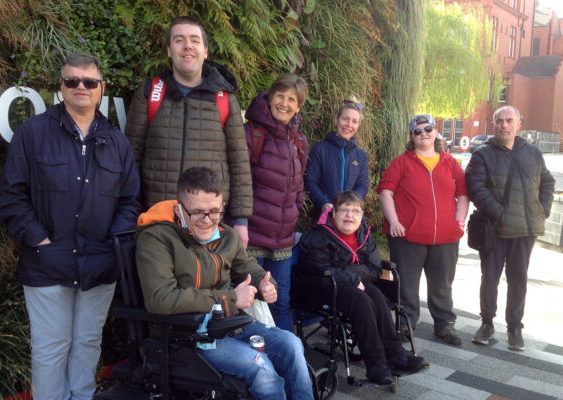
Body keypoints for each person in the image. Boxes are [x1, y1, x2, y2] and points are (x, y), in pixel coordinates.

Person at [0, 53, 141, 400]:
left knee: (88, 345)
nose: (80, 87)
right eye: (72, 81)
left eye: (89, 82)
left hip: (99, 264)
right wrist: (39, 240)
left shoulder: (117, 143)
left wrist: (111, 247)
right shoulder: (32, 133)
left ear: (101, 89)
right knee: (50, 350)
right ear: (60, 87)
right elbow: (11, 197)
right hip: (47, 263)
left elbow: (129, 201)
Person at [135, 167, 314, 400]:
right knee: (262, 370)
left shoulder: (226, 235)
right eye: (197, 212)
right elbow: (161, 299)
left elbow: (249, 268)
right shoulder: (157, 239)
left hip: (232, 325)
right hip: (190, 336)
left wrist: (264, 286)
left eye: (214, 211)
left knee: (291, 344)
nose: (207, 221)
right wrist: (229, 299)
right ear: (180, 208)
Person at [125, 16, 252, 248]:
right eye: (179, 40)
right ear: (169, 50)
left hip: (208, 223)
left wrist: (241, 221)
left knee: (206, 284)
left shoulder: (224, 99)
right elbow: (130, 159)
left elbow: (239, 161)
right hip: (158, 222)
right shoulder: (150, 94)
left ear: (205, 51)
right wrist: (131, 214)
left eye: (194, 40)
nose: (187, 46)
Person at [294, 191, 427, 384]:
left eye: (355, 211)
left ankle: (396, 354)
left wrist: (350, 275)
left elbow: (374, 268)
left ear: (361, 214)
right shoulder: (318, 236)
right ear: (334, 213)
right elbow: (318, 269)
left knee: (377, 296)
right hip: (319, 288)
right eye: (344, 210)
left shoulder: (364, 234)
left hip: (352, 284)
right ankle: (376, 365)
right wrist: (352, 276)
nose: (350, 215)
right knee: (361, 300)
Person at [465, 105, 554, 351]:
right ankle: (486, 323)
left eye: (509, 120)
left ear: (519, 124)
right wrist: (501, 213)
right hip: (495, 228)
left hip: (525, 230)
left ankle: (515, 327)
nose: (504, 125)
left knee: (518, 279)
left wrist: (542, 210)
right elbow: (476, 188)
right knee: (490, 278)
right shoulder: (482, 154)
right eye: (500, 121)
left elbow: (547, 181)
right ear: (494, 125)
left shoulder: (533, 152)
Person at [377, 114, 469, 346]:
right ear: (411, 136)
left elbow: (463, 193)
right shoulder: (402, 162)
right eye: (417, 131)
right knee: (407, 284)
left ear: (436, 132)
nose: (424, 134)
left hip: (445, 238)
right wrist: (394, 221)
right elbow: (385, 192)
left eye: (428, 129)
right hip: (407, 237)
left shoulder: (450, 162)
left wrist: (459, 220)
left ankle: (444, 324)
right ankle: (407, 324)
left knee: (442, 283)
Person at [242, 73, 309, 330]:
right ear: (270, 97)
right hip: (251, 238)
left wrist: (295, 210)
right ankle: (255, 364)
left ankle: (288, 364)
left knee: (280, 304)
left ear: (298, 106)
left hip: (282, 242)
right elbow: (238, 181)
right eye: (280, 96)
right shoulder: (251, 133)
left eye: (292, 99)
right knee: (251, 305)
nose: (284, 103)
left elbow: (299, 183)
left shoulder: (299, 141)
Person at [305, 99, 368, 216]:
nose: (349, 125)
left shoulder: (361, 156)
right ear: (336, 120)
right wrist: (324, 203)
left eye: (354, 121)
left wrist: (351, 206)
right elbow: (311, 182)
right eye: (345, 119)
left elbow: (362, 185)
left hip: (351, 217)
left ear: (358, 125)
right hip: (326, 215)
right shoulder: (320, 149)